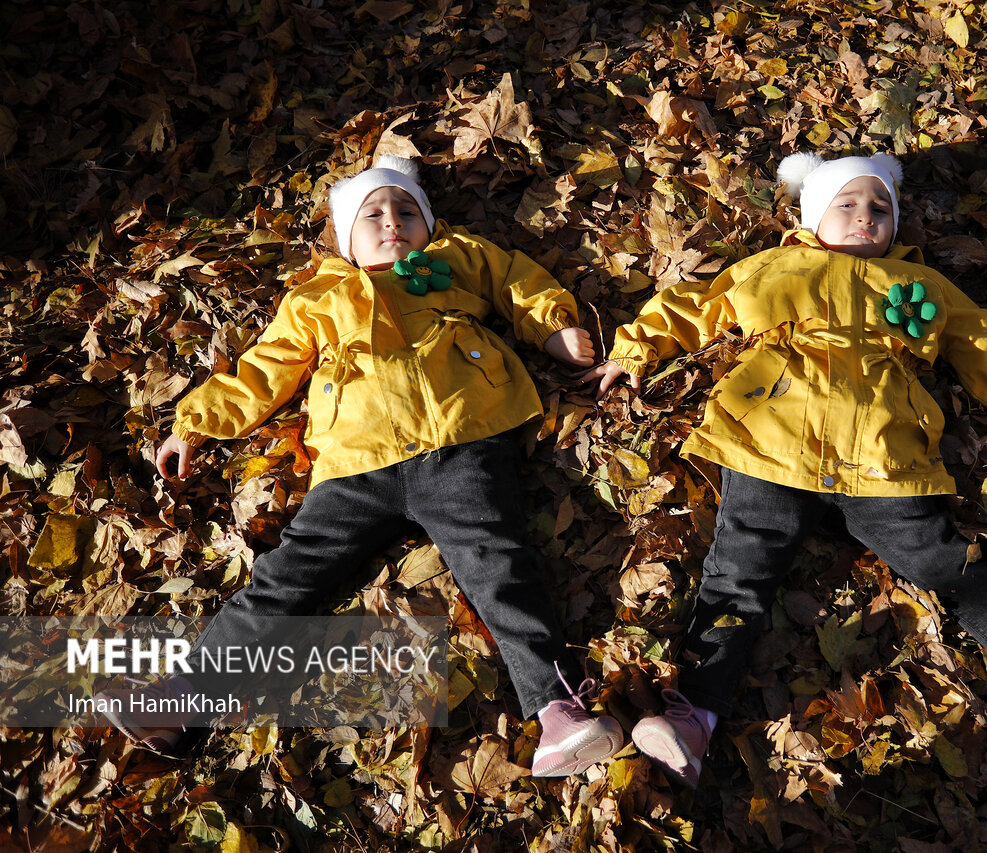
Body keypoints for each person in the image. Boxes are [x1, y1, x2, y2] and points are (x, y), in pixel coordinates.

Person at [587, 151, 987, 786]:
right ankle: (692, 718)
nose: (864, 217)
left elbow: (982, 337)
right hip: (773, 439)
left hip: (883, 454)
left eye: (879, 207)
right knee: (739, 572)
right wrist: (635, 350)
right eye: (845, 205)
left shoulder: (921, 286)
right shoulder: (777, 266)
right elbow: (696, 306)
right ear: (814, 216)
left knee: (937, 559)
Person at [97, 155, 623, 777]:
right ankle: (180, 705)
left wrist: (553, 330)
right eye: (372, 214)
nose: (392, 222)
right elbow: (266, 369)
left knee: (497, 565)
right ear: (346, 236)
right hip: (355, 464)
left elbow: (518, 282)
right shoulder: (319, 295)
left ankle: (559, 711)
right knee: (285, 579)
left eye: (406, 210)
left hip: (457, 440)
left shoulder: (458, 257)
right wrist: (196, 422)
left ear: (429, 223)